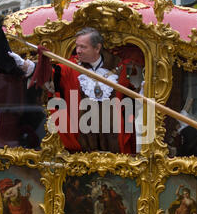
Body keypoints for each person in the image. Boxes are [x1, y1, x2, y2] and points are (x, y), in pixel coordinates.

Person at [8, 27, 136, 154]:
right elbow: (51, 76)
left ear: (97, 48)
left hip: (114, 141)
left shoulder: (119, 67)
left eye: (83, 47)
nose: (78, 51)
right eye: (77, 46)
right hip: (83, 144)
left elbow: (128, 99)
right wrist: (26, 65)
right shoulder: (70, 67)